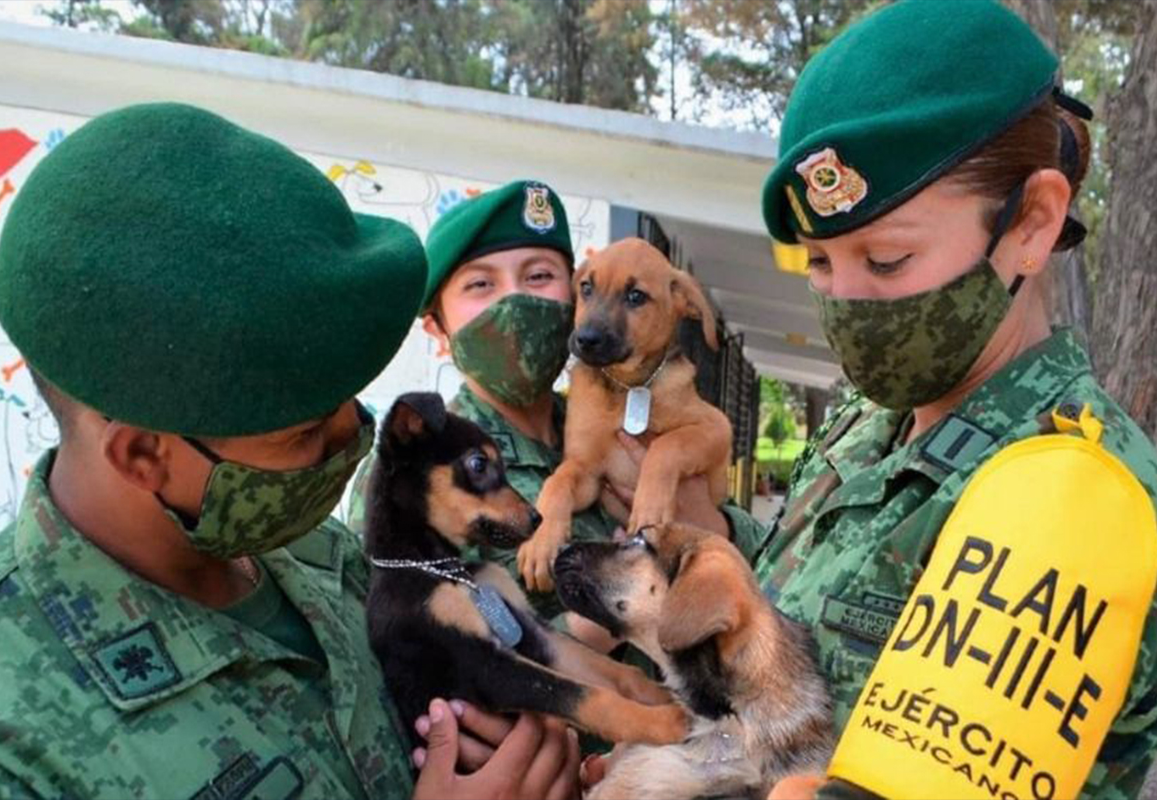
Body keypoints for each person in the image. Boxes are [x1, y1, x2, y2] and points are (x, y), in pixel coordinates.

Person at [0, 102, 578, 799]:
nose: (351, 439)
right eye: (304, 435)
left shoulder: (324, 560)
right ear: (142, 455)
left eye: (348, 402)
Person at [749, 2, 1157, 798]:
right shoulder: (876, 422)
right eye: (822, 266)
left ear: (1032, 225)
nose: (848, 303)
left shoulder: (1075, 498)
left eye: (889, 259)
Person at [347, 179, 766, 628]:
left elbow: (767, 556)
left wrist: (711, 524)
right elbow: (419, 639)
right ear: (437, 329)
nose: (516, 302)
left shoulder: (600, 415)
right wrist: (617, 610)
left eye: (539, 276)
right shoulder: (412, 469)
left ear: (570, 297)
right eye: (481, 284)